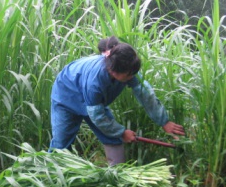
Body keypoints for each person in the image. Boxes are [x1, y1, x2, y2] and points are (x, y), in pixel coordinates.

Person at [49, 36, 185, 165]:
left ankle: (117, 176)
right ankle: (51, 175)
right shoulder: (95, 83)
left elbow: (145, 93)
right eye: (128, 76)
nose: (131, 77)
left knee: (112, 137)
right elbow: (98, 116)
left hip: (91, 98)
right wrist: (122, 132)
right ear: (113, 72)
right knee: (61, 144)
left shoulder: (126, 67)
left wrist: (164, 121)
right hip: (66, 96)